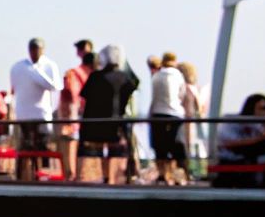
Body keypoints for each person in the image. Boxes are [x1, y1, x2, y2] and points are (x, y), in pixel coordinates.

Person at [79, 44, 138, 184]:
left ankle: (106, 177)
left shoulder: (95, 77)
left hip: (96, 123)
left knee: (100, 151)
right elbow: (133, 86)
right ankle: (114, 177)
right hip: (117, 122)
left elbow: (85, 95)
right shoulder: (125, 78)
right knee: (114, 151)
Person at [9, 37, 60, 181]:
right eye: (32, 49)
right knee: (24, 147)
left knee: (43, 146)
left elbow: (55, 86)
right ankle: (22, 176)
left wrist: (36, 73)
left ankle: (43, 175)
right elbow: (14, 88)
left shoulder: (49, 65)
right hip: (23, 115)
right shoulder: (18, 67)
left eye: (37, 49)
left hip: (42, 115)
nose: (34, 52)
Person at [215, 94, 265, 186]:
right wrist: (262, 138)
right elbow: (228, 143)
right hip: (229, 163)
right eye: (261, 108)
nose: (264, 112)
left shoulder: (261, 125)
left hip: (251, 165)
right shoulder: (231, 121)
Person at [56, 40, 95, 181]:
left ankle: (74, 175)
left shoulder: (74, 74)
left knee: (75, 149)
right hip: (77, 118)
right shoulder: (75, 74)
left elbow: (70, 96)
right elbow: (70, 96)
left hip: (78, 118)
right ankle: (74, 176)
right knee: (74, 148)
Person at [147, 55, 188, 184]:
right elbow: (182, 94)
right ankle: (180, 175)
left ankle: (162, 174)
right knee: (177, 145)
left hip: (158, 113)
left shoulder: (156, 76)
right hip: (175, 113)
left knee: (160, 146)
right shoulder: (178, 75)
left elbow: (153, 96)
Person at [178, 60, 208, 181]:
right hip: (196, 122)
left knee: (187, 149)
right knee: (198, 149)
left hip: (187, 123)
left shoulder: (186, 89)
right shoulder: (195, 88)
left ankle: (187, 172)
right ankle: (195, 172)